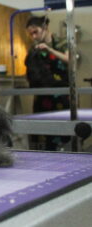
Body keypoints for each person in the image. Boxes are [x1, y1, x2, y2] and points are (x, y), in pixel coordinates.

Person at [24, 15, 69, 151]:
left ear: (45, 28)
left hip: (61, 94)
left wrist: (49, 50)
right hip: (42, 95)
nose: (33, 37)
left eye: (35, 32)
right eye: (31, 34)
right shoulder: (34, 48)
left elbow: (69, 59)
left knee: (61, 128)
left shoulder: (62, 42)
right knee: (41, 130)